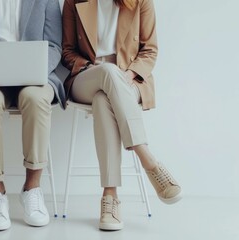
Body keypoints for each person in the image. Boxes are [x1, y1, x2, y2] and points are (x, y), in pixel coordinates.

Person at [62, 0, 181, 231]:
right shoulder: (73, 1)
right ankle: (148, 160)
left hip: (129, 78)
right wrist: (91, 68)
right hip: (88, 76)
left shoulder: (140, 1)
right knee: (107, 72)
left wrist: (128, 74)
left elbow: (150, 49)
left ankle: (110, 197)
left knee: (102, 99)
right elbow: (67, 51)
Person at [0, 0, 65, 231]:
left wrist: (33, 70)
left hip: (35, 78)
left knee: (36, 99)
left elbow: (55, 46)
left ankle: (32, 188)